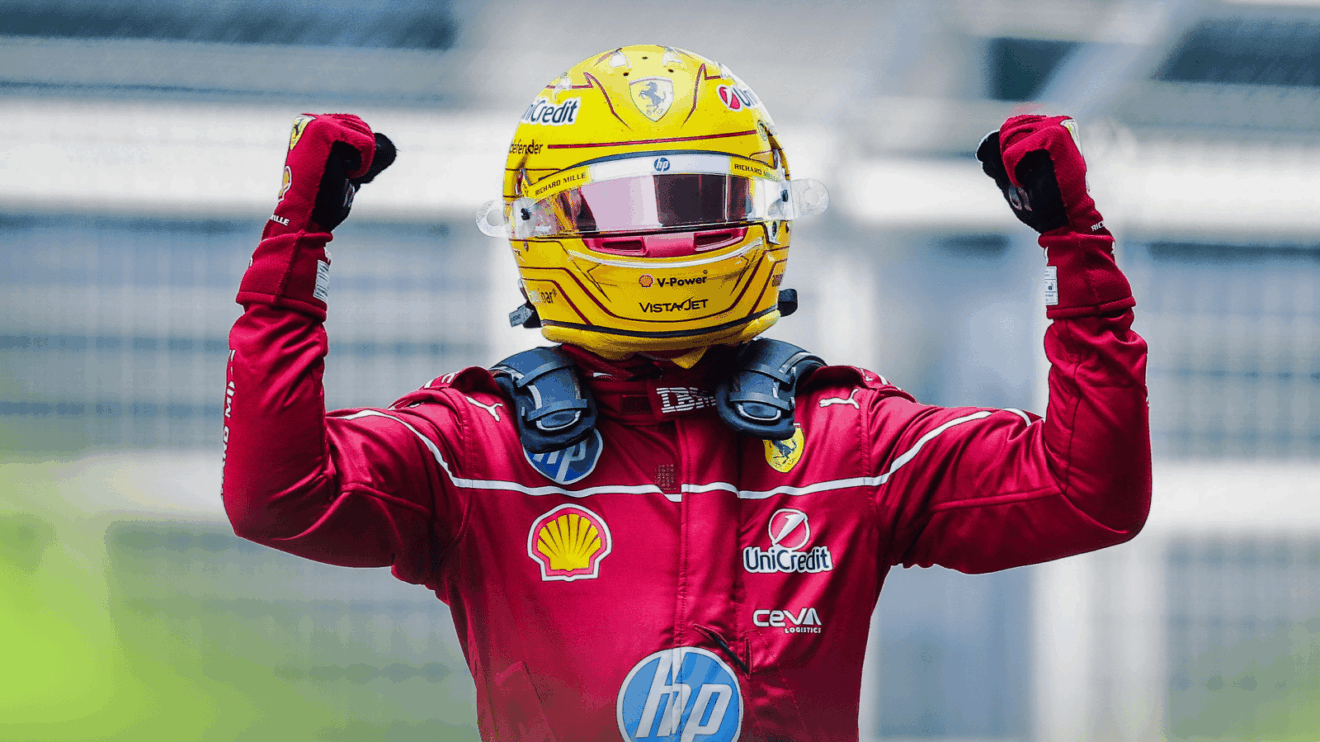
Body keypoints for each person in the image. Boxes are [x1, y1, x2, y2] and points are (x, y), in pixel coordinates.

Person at [222, 45, 1150, 742]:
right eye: (622, 212)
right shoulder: (476, 446)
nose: (668, 243)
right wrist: (292, 256)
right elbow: (278, 497)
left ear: (765, 209)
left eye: (701, 202)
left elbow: (1086, 497)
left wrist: (1079, 256)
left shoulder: (846, 438)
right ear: (538, 223)